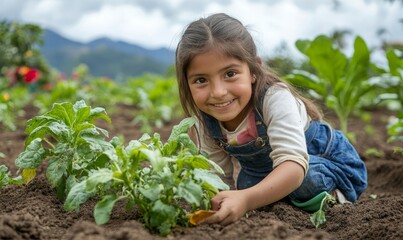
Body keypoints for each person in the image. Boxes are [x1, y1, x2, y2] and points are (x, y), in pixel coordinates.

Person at [175, 13, 367, 225]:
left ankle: (333, 200)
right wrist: (220, 203)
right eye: (201, 80)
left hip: (322, 164)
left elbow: (293, 166)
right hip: (268, 171)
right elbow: (217, 177)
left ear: (254, 70)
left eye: (230, 74)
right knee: (246, 182)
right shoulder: (205, 120)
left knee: (307, 181)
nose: (218, 92)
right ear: (186, 83)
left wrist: (246, 200)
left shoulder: (275, 98)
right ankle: (283, 198)